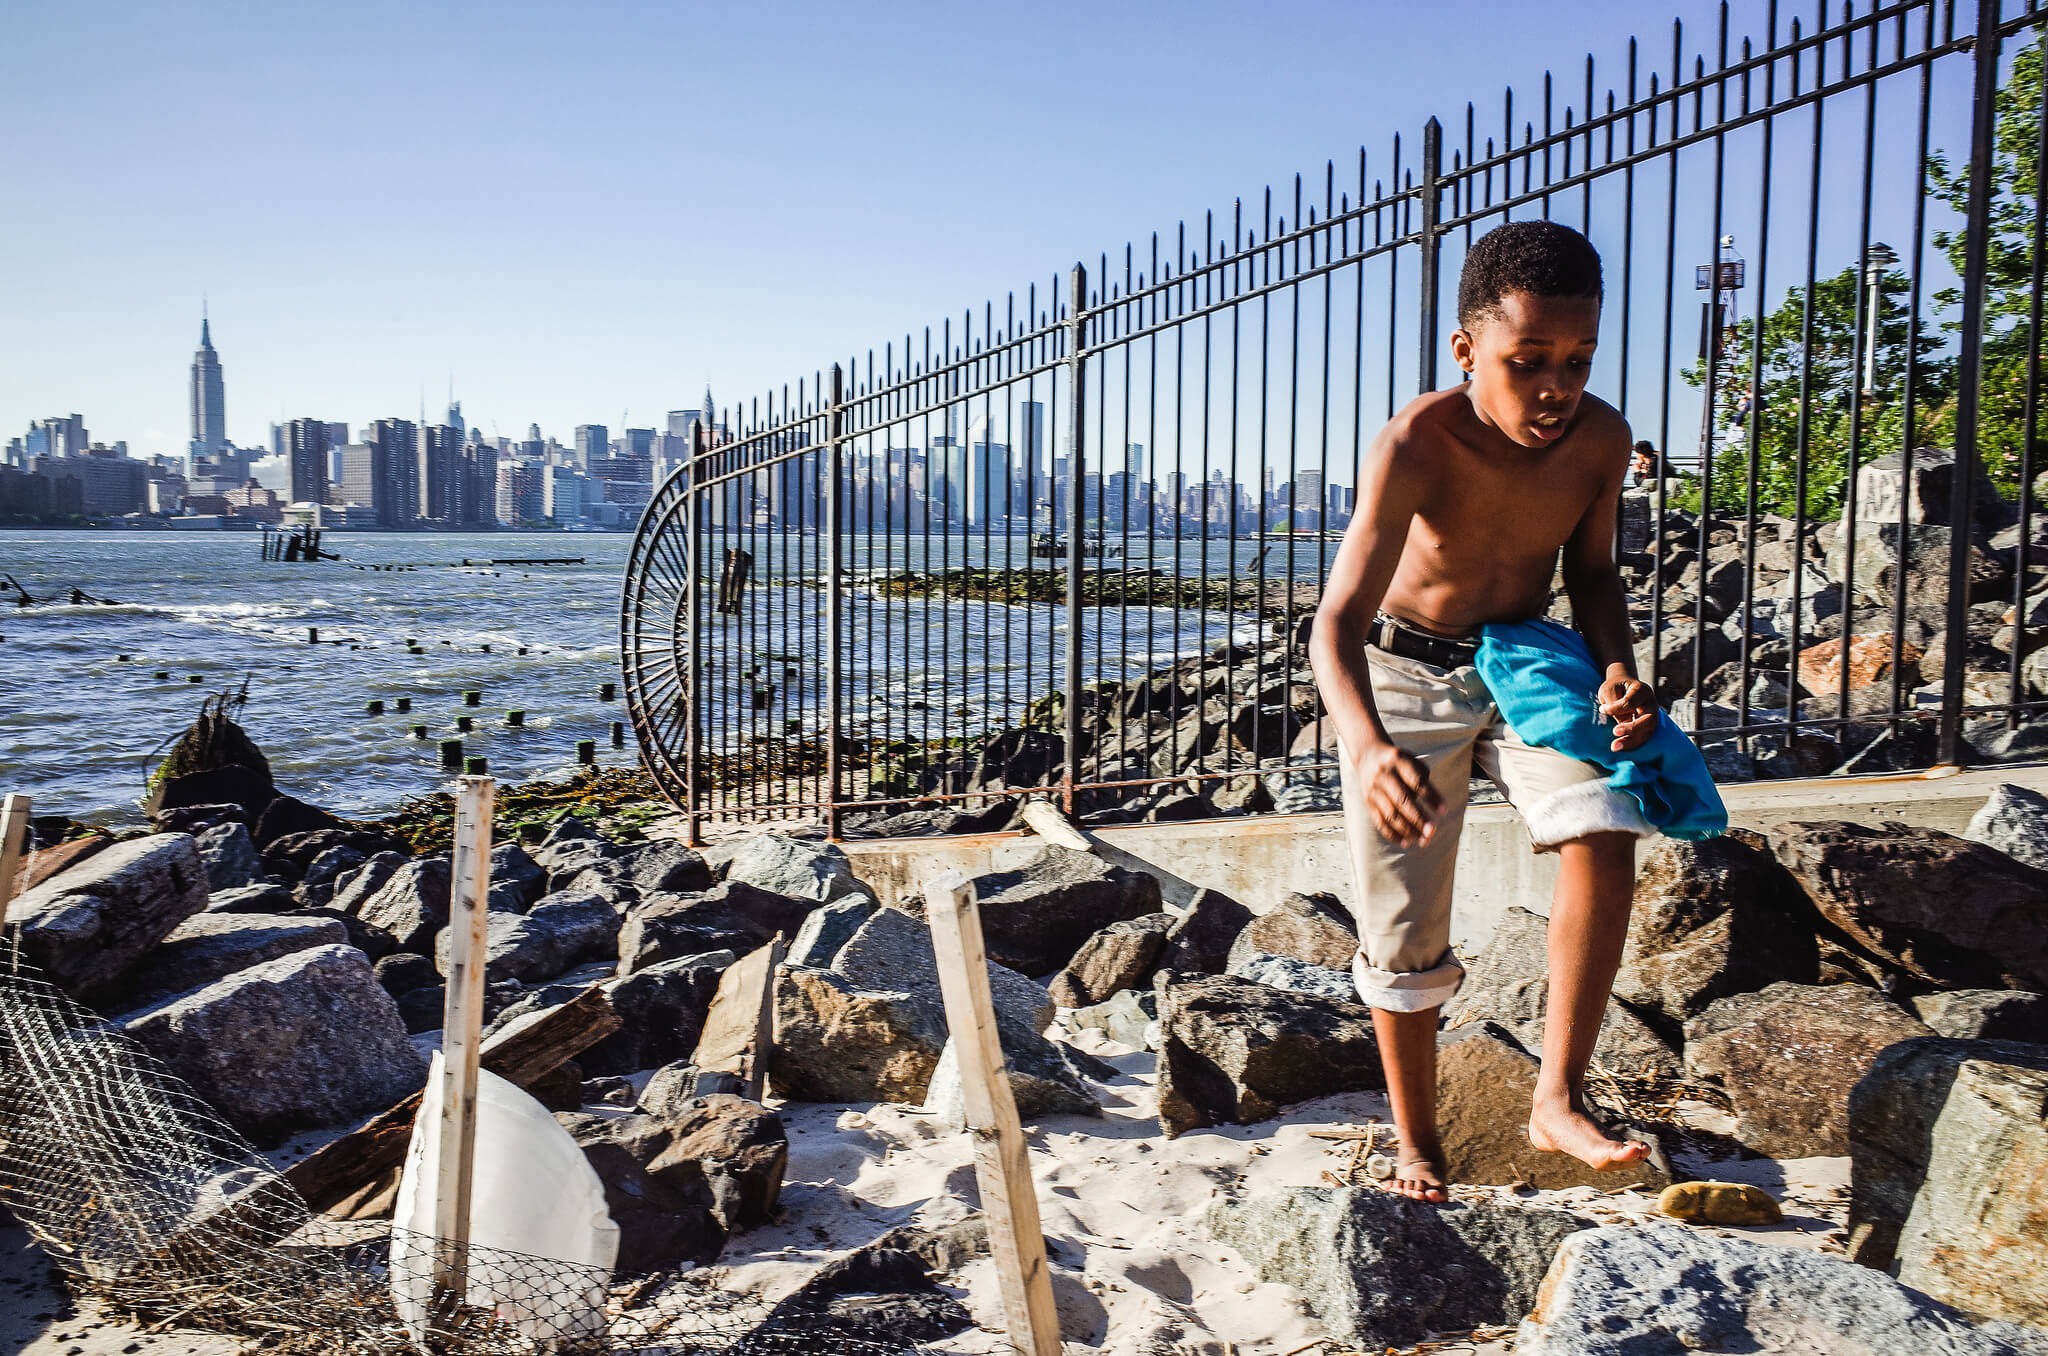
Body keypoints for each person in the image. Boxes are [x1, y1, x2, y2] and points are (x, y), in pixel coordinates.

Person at [1308, 219, 1662, 1203]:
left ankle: (1556, 1098)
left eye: (1578, 359)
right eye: (1527, 360)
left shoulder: (1599, 439)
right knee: (1404, 926)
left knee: (1601, 820)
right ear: (1466, 352)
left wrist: (1617, 671)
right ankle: (1416, 1143)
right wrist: (1368, 746)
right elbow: (1331, 623)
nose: (1555, 386)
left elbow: (1590, 575)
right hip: (1401, 679)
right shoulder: (1418, 441)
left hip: (1522, 663)